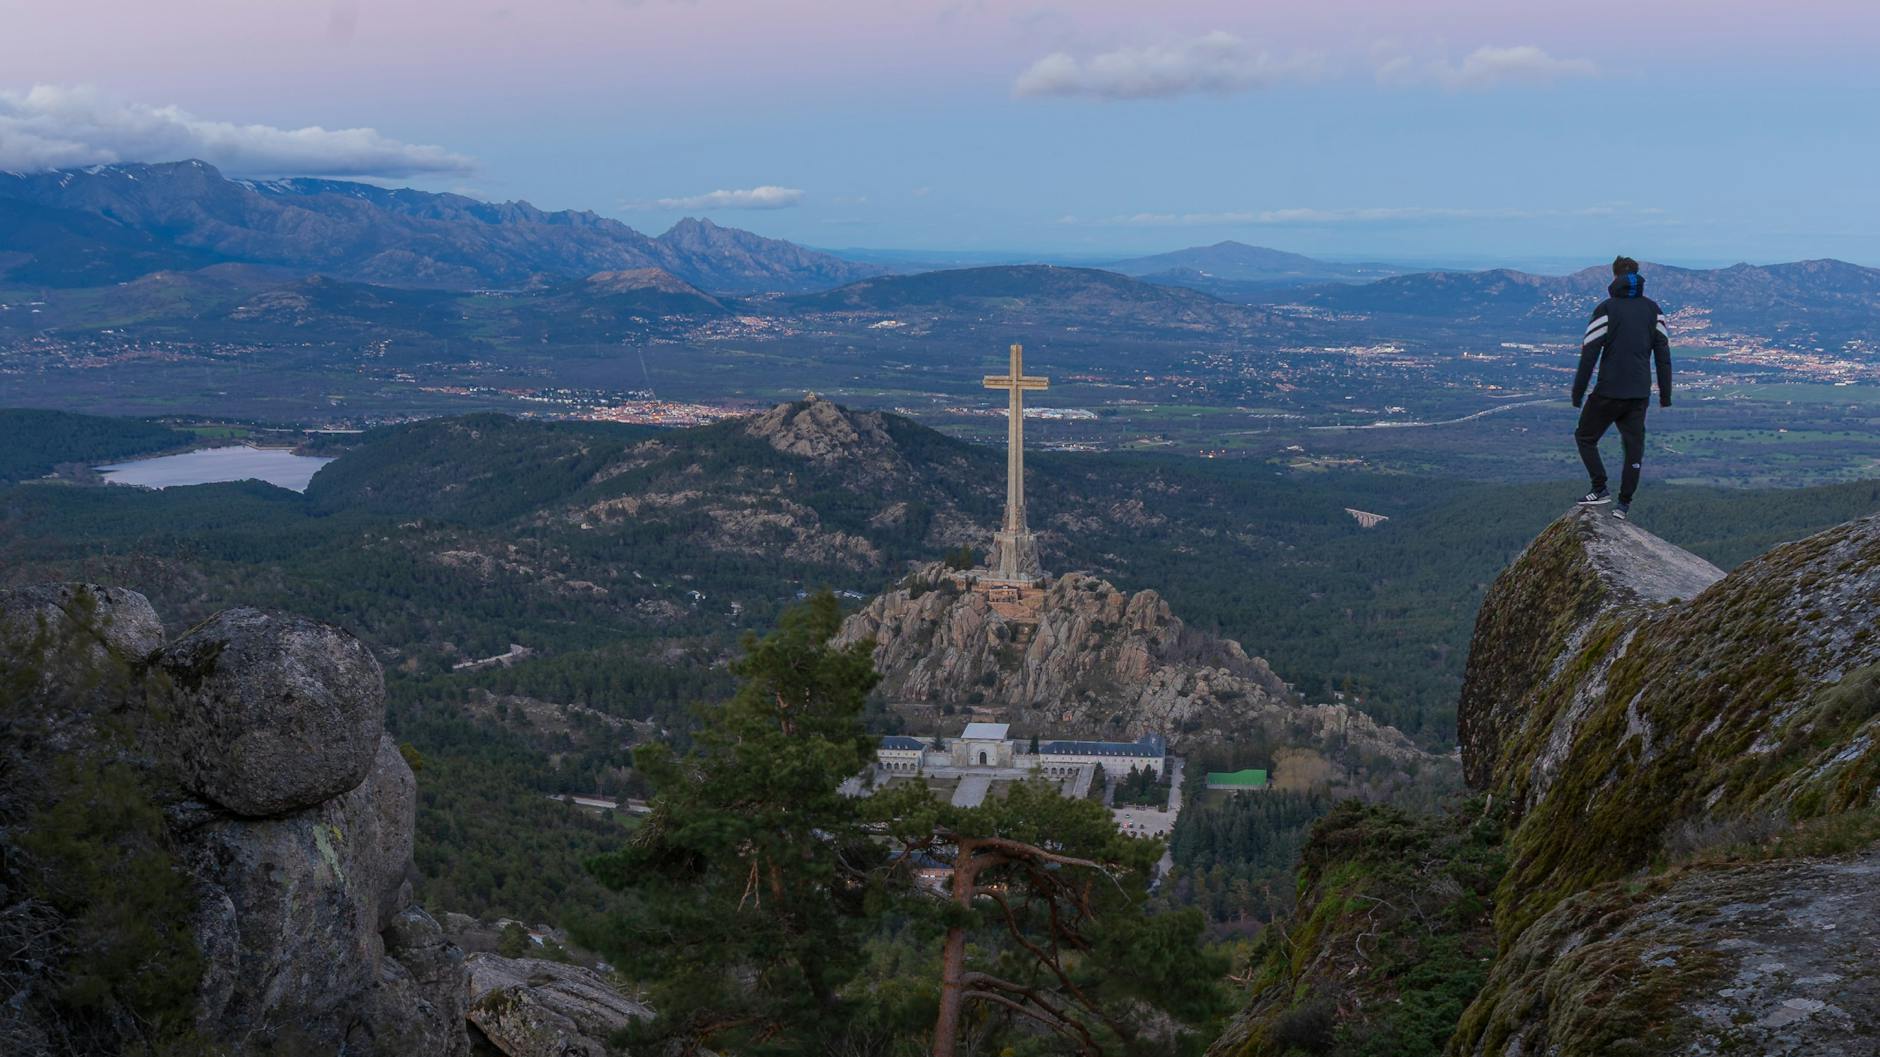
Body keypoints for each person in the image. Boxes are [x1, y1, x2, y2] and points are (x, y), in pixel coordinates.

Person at [1573, 255, 1671, 519]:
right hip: (1639, 394)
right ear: (1637, 276)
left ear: (1614, 276)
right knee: (1633, 448)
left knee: (1585, 437)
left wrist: (1578, 392)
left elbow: (1589, 353)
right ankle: (1624, 505)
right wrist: (1665, 394)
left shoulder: (1606, 309)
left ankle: (1599, 488)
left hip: (1608, 392)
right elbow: (1663, 355)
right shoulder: (1654, 310)